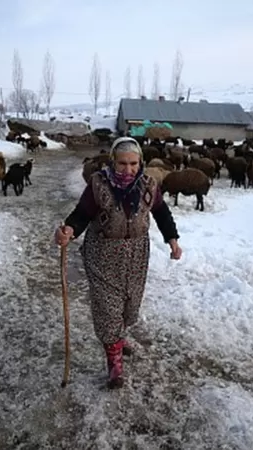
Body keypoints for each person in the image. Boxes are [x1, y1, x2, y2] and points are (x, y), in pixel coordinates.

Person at [55, 137, 182, 389]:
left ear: (140, 162)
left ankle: (119, 339)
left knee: (129, 304)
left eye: (133, 163)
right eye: (122, 163)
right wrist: (69, 229)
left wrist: (173, 240)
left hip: (136, 254)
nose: (128, 169)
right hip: (103, 252)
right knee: (108, 307)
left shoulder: (148, 184)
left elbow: (161, 212)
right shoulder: (98, 184)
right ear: (113, 161)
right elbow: (82, 213)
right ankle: (114, 362)